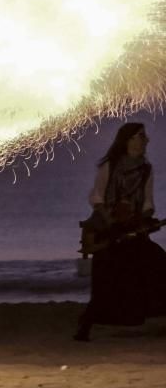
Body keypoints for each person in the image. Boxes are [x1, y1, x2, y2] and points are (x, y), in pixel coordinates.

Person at [74, 122, 166, 341]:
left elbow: (147, 201)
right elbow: (96, 197)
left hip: (133, 229)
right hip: (109, 231)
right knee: (107, 279)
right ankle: (85, 325)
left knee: (158, 263)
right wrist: (112, 221)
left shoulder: (146, 168)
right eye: (141, 136)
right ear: (128, 140)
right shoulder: (109, 166)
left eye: (144, 136)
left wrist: (145, 219)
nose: (146, 140)